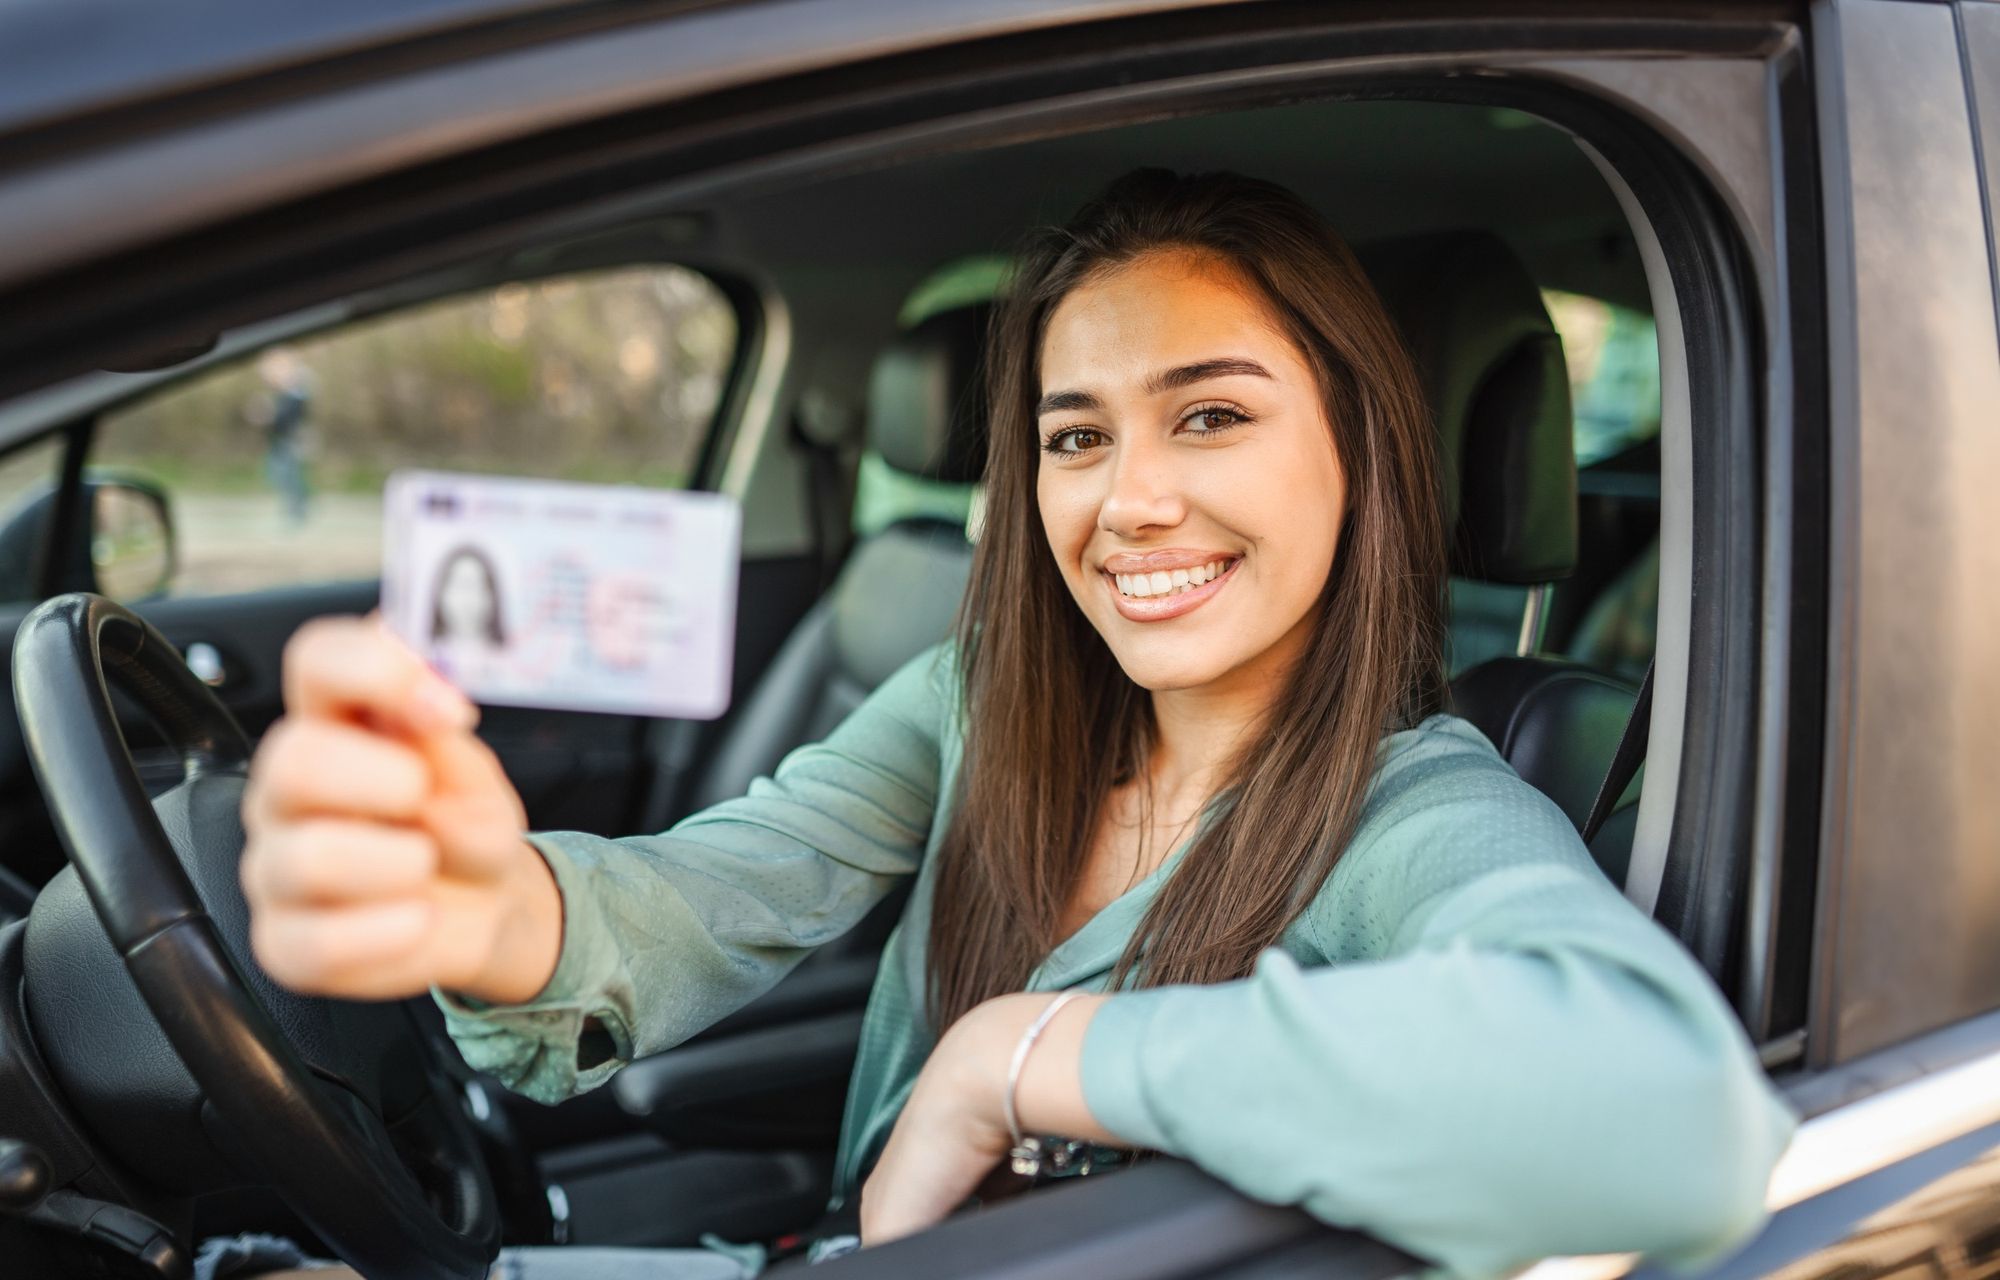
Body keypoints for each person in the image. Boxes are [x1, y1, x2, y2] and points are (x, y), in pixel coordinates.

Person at [226, 170, 1795, 1280]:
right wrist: (493, 906)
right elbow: (720, 886)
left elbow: (1667, 1115)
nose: (1132, 501)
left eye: (1212, 414)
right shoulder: (981, 700)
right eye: (1074, 436)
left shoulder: (1421, 811)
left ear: (1363, 454)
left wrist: (1016, 1053)